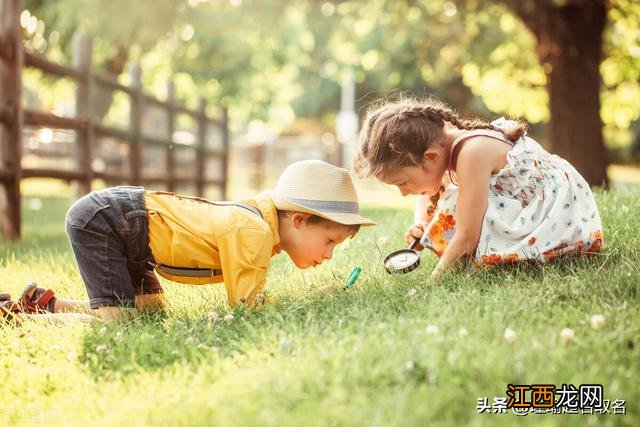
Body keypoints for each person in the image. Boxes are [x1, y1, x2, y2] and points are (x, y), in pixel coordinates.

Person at [1, 160, 375, 322]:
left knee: (148, 313)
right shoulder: (254, 231)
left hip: (132, 229)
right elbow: (247, 309)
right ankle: (16, 317)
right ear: (298, 219)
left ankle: (47, 305)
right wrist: (311, 300)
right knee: (118, 324)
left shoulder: (262, 227)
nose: (328, 254)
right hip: (111, 220)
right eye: (330, 241)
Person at [354, 97, 603, 281]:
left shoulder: (472, 154)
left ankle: (529, 251)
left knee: (456, 207)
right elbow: (428, 193)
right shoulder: (444, 148)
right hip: (533, 202)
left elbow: (466, 236)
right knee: (453, 203)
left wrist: (432, 283)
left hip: (558, 212)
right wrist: (422, 223)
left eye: (402, 183)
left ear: (430, 157)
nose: (404, 193)